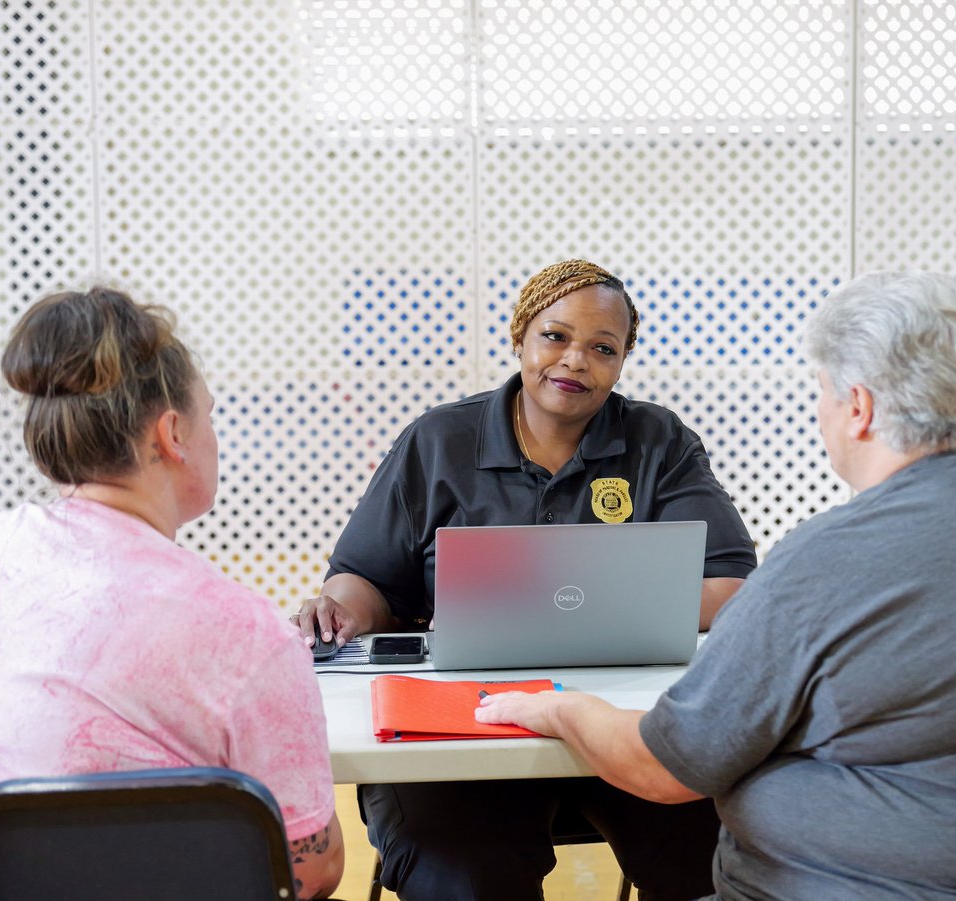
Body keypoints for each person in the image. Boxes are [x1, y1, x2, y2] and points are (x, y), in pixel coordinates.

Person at [476, 270, 956, 900]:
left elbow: (661, 766)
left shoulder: (836, 556)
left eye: (822, 389)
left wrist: (555, 707)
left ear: (857, 406)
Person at [296, 259, 758, 901]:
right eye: (555, 337)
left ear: (622, 363)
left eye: (603, 348)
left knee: (718, 861)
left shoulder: (659, 442)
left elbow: (731, 585)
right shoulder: (438, 442)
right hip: (458, 730)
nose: (575, 360)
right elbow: (366, 580)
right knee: (464, 876)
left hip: (621, 724)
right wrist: (341, 610)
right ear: (520, 338)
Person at [0, 287, 344, 899]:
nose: (214, 435)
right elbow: (311, 869)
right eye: (210, 416)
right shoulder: (249, 634)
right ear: (173, 434)